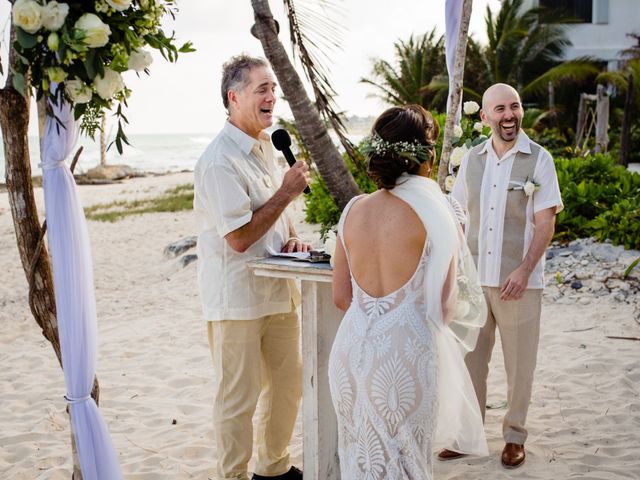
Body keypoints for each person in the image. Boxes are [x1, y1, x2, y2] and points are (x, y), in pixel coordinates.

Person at [328, 105, 489, 480]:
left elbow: (341, 297)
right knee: (409, 463)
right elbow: (446, 305)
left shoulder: (352, 209)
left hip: (351, 353)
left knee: (358, 460)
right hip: (406, 355)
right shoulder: (442, 212)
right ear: (426, 157)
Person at [194, 54, 311, 480]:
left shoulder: (268, 148)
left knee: (288, 388)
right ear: (234, 96)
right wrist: (285, 194)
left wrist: (291, 236)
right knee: (238, 399)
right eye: (262, 89)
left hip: (279, 292)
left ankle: (273, 469)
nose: (272, 97)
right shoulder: (218, 160)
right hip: (237, 298)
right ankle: (234, 476)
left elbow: (275, 218)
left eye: (273, 89)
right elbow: (240, 238)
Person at [444, 83, 563, 469]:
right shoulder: (473, 160)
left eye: (514, 107)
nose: (509, 115)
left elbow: (546, 222)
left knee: (519, 366)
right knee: (471, 363)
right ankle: (468, 435)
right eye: (500, 109)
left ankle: (514, 437)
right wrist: (456, 275)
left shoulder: (539, 159)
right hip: (474, 283)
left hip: (520, 285)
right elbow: (458, 219)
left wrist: (525, 270)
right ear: (485, 117)